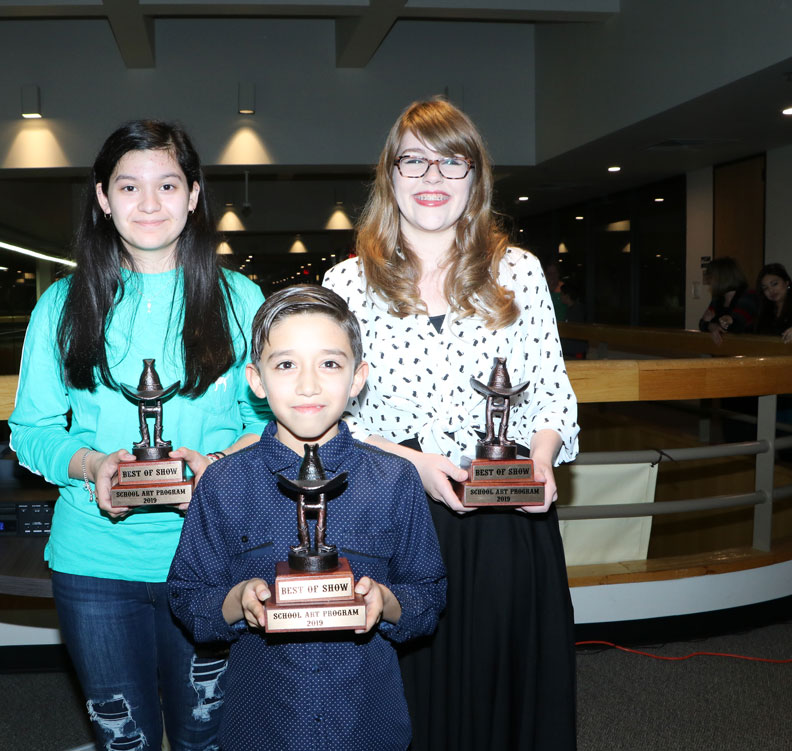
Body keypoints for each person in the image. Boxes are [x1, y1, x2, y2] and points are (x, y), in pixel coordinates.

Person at [323, 98, 580, 751]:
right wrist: (418, 465)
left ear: (475, 177)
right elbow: (327, 422)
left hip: (503, 520)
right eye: (414, 159)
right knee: (406, 699)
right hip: (394, 512)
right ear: (391, 174)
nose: (432, 175)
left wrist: (543, 460)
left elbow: (551, 397)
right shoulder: (346, 284)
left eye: (451, 160)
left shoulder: (516, 271)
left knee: (505, 693)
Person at [8, 120, 269, 751]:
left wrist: (220, 464)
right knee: (123, 741)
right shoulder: (62, 305)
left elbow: (272, 424)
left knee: (208, 738)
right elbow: (31, 431)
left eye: (167, 185)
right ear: (102, 198)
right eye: (129, 186)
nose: (149, 204)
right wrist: (94, 463)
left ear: (194, 194)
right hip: (96, 564)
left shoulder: (241, 298)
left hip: (214, 557)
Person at [168, 284, 446, 751]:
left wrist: (385, 602)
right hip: (263, 723)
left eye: (330, 363)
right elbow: (188, 597)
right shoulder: (223, 483)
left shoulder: (395, 479)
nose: (309, 385)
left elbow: (429, 594)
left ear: (358, 378)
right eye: (286, 364)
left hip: (367, 723)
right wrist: (238, 601)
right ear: (256, 380)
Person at [699, 257, 758, 345]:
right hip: (726, 348)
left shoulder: (748, 295)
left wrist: (711, 324)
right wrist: (711, 326)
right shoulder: (718, 298)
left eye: (710, 277)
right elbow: (702, 323)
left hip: (747, 348)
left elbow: (737, 326)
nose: (708, 281)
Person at [754, 263, 792, 343]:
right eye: (765, 288)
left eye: (774, 284)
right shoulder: (763, 308)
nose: (771, 291)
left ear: (786, 282)